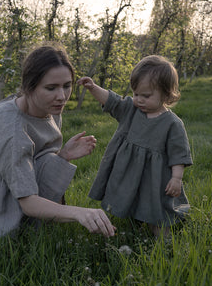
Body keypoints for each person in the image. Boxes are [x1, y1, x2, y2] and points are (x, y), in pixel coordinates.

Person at [0, 43, 116, 255]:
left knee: (52, 161)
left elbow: (36, 154)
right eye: (51, 88)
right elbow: (28, 203)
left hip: (11, 172)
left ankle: (32, 225)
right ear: (29, 87)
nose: (62, 96)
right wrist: (79, 213)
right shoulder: (10, 129)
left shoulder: (48, 106)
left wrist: (63, 155)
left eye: (67, 85)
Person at [78, 55, 192, 237]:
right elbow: (111, 100)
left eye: (145, 96)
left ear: (166, 94)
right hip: (128, 171)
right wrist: (93, 88)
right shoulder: (131, 109)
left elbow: (178, 153)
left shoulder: (172, 123)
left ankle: (162, 234)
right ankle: (134, 222)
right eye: (136, 93)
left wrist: (176, 178)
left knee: (156, 206)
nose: (139, 99)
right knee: (131, 196)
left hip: (156, 177)